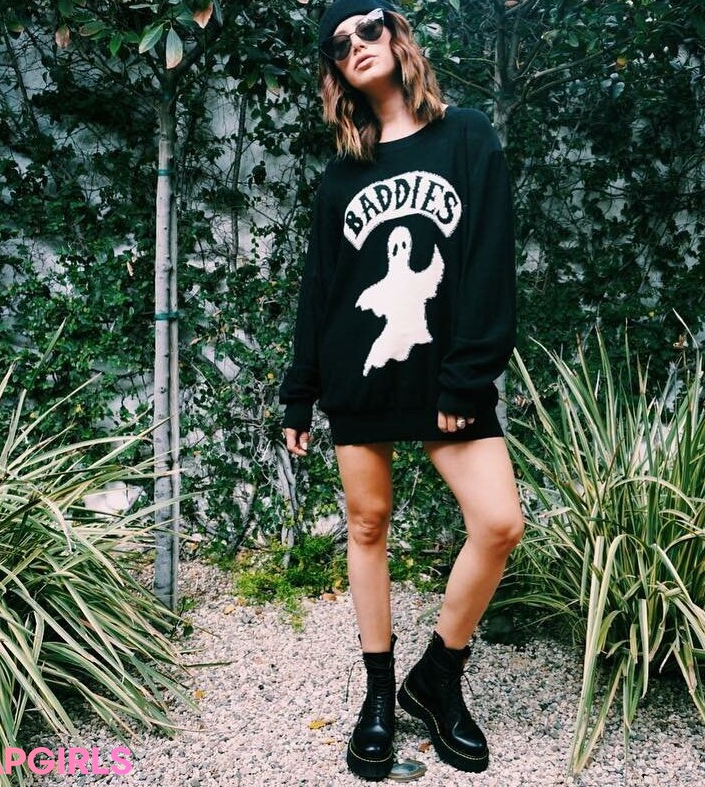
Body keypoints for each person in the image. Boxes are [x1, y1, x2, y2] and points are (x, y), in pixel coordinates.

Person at [278, 0, 523, 779]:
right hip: (361, 373)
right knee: (367, 524)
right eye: (339, 42)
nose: (356, 44)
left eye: (368, 27)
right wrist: (299, 390)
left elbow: (488, 260)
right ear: (335, 69)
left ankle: (439, 674)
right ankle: (380, 693)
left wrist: (466, 375)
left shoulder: (467, 137)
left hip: (445, 373)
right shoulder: (342, 174)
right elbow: (322, 287)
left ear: (396, 34)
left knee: (499, 522)